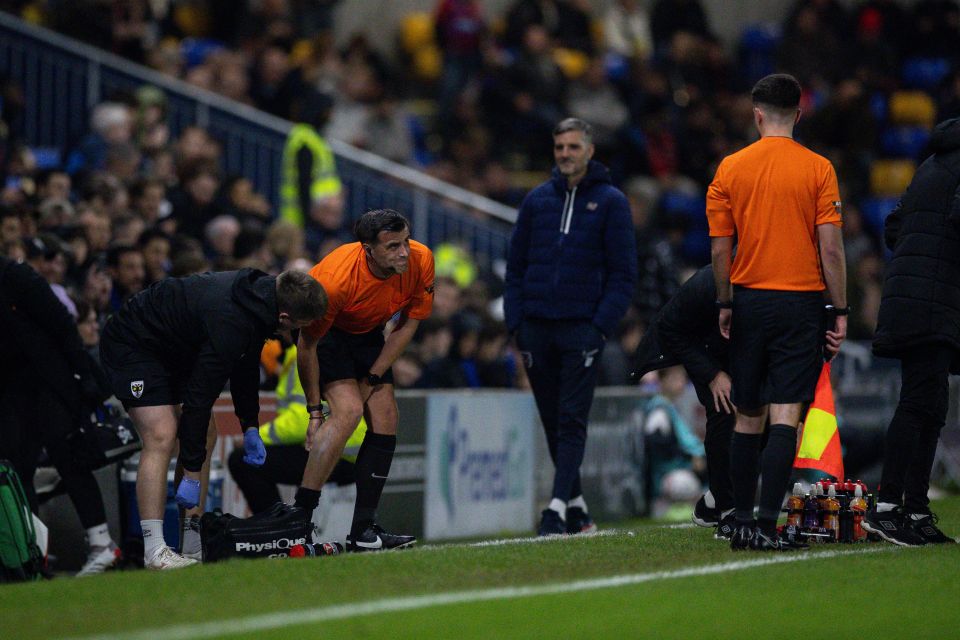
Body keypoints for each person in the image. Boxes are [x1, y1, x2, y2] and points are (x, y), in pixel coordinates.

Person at [99, 269, 326, 569]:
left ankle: (191, 544)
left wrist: (250, 426)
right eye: (301, 326)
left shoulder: (261, 302)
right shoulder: (231, 320)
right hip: (134, 342)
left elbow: (244, 368)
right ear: (285, 318)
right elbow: (199, 398)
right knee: (162, 433)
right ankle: (154, 550)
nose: (302, 333)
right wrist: (191, 472)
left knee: (205, 433)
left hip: (173, 345)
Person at [707, 74, 847, 552]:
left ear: (757, 114)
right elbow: (831, 249)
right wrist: (841, 309)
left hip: (748, 299)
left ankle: (742, 523)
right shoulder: (819, 169)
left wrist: (725, 302)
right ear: (799, 114)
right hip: (801, 302)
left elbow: (720, 248)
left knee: (748, 415)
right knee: (787, 414)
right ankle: (770, 524)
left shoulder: (730, 168)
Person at [504, 117, 637, 536]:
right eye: (560, 147)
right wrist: (516, 323)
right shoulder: (536, 200)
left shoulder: (612, 202)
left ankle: (556, 508)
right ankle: (577, 507)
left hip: (581, 329)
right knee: (550, 418)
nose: (565, 154)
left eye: (573, 147)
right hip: (536, 329)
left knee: (571, 417)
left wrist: (599, 327)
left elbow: (623, 274)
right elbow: (515, 268)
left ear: (590, 151)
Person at [292, 209, 434, 552]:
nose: (404, 252)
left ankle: (363, 529)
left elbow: (408, 325)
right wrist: (314, 410)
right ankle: (300, 521)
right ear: (367, 248)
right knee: (349, 413)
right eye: (392, 247)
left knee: (387, 418)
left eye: (405, 242)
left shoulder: (421, 258)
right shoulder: (336, 281)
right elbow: (306, 344)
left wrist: (372, 376)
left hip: (368, 333)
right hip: (329, 336)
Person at [863, 117, 960, 547]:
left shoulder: (930, 166)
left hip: (916, 296)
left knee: (931, 402)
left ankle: (916, 510)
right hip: (931, 301)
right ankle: (887, 508)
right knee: (919, 401)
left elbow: (893, 227)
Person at [0, 256, 122, 576]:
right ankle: (30, 553)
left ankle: (102, 544)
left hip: (53, 379)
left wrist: (86, 377)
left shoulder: (16, 276)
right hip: (14, 388)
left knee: (67, 454)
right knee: (17, 467)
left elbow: (63, 324)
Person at [632, 264, 736, 537]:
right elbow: (657, 441)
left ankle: (717, 500)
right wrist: (712, 374)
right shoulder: (704, 287)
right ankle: (725, 508)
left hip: (719, 349)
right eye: (675, 377)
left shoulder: (670, 405)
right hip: (672, 473)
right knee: (724, 410)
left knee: (738, 415)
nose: (680, 382)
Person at [228, 340, 367, 514]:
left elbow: (302, 420)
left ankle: (276, 529)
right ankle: (279, 525)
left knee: (243, 460)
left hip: (337, 452)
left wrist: (255, 438)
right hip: (346, 450)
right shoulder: (307, 350)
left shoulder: (302, 354)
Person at [279, 91, 345, 255]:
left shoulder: (315, 138)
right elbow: (303, 181)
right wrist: (307, 220)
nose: (330, 116)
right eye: (328, 111)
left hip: (318, 217)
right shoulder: (304, 139)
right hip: (303, 219)